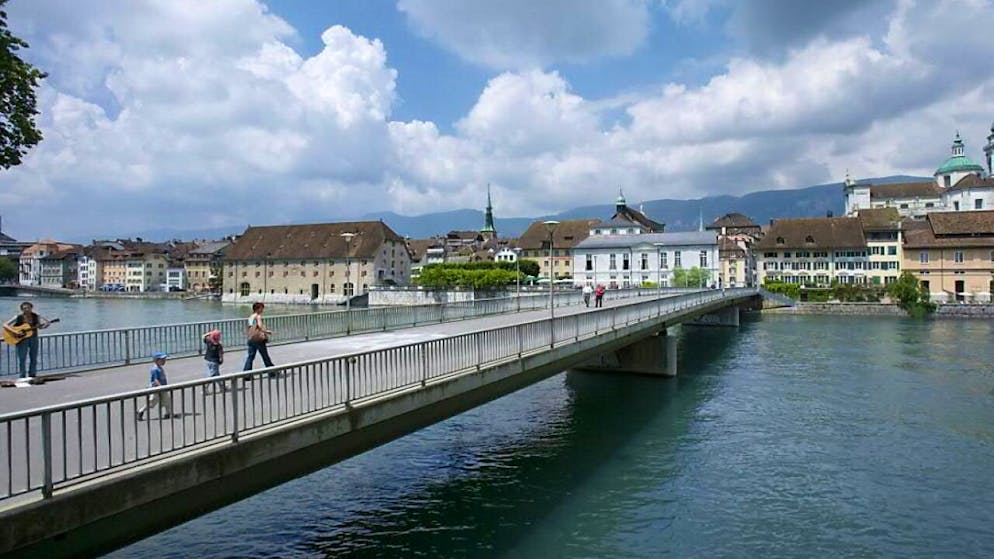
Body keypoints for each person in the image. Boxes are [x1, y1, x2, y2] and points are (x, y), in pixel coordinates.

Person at [4, 301, 52, 379]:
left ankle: (32, 374)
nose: (26, 309)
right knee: (22, 358)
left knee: (34, 357)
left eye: (28, 308)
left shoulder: (36, 316)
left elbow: (39, 327)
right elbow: (5, 325)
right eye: (24, 308)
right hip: (22, 340)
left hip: (34, 338)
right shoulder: (18, 317)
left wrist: (46, 325)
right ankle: (22, 376)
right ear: (22, 309)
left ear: (31, 308)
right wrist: (15, 331)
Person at [137, 352, 171, 420]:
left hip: (163, 387)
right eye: (162, 360)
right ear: (156, 360)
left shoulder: (160, 368)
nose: (164, 361)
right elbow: (155, 380)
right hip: (156, 388)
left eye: (164, 359)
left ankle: (168, 413)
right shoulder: (155, 369)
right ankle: (140, 411)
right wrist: (160, 386)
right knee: (152, 402)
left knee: (167, 400)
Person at [243, 302, 275, 374]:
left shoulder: (251, 317)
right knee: (265, 356)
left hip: (251, 339)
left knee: (250, 357)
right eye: (261, 308)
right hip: (259, 340)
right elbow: (260, 327)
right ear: (258, 309)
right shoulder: (258, 316)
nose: (262, 310)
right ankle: (272, 371)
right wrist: (267, 332)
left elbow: (249, 327)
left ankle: (246, 373)